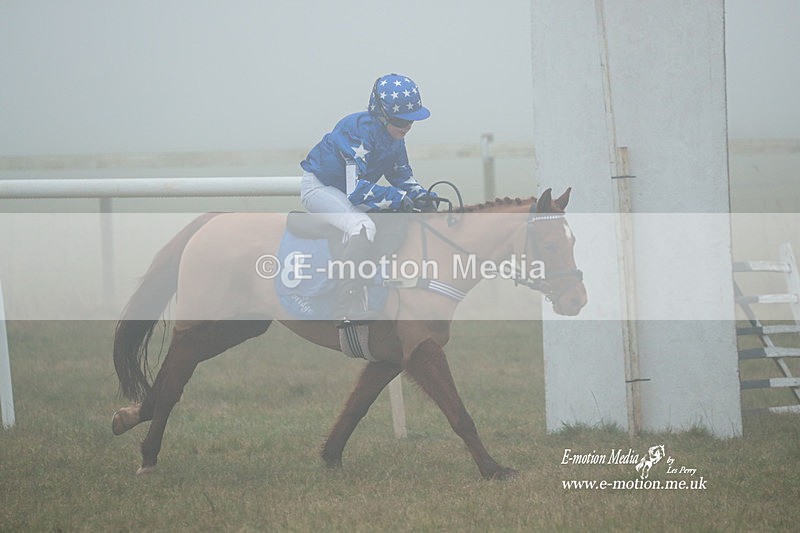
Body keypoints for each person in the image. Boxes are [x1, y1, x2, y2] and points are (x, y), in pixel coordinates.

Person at [300, 73, 437, 324]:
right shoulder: (357, 132)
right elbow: (357, 193)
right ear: (382, 115)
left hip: (344, 189)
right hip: (320, 188)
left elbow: (402, 176)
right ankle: (345, 305)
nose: (406, 127)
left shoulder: (394, 138)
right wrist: (400, 197)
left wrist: (423, 196)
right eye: (400, 121)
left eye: (411, 122)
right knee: (362, 225)